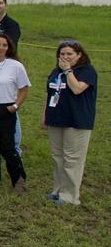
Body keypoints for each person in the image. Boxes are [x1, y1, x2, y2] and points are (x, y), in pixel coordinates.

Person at [43, 40, 96, 205]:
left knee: (72, 158)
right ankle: (58, 190)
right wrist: (45, 115)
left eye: (69, 54)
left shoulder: (87, 71)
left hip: (77, 121)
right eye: (62, 54)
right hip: (56, 118)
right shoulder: (56, 71)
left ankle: (70, 196)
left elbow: (77, 89)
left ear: (79, 55)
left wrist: (68, 71)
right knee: (57, 156)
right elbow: (50, 92)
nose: (65, 57)